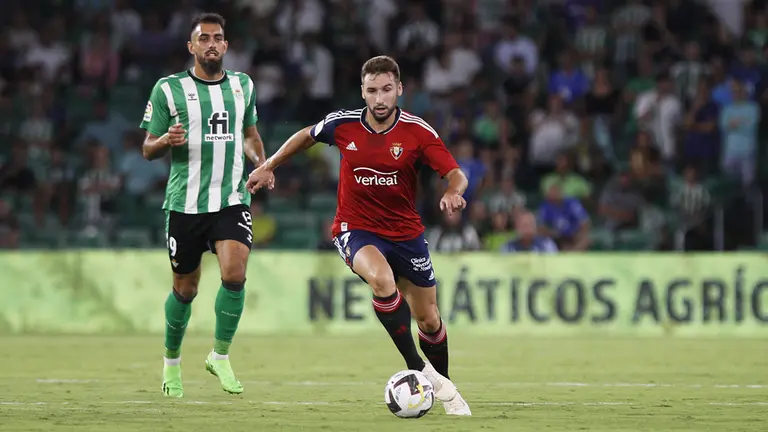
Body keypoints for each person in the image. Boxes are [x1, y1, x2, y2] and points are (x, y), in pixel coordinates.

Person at [246, 56, 472, 416]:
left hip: (406, 234)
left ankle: (441, 384)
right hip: (356, 228)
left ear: (399, 89)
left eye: (386, 90)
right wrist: (267, 165)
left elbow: (456, 173)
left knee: (429, 319)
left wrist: (452, 191)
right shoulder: (343, 125)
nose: (379, 98)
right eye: (371, 91)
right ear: (362, 92)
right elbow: (306, 135)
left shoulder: (418, 132)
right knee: (382, 281)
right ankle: (419, 367)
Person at [139, 13, 273, 398]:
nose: (211, 44)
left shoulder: (243, 85)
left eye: (218, 38)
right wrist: (166, 139)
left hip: (231, 198)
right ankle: (171, 363)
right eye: (204, 38)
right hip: (184, 203)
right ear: (191, 46)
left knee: (234, 272)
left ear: (226, 46)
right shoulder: (168, 89)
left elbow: (249, 134)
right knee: (186, 289)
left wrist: (261, 164)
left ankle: (220, 354)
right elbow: (147, 149)